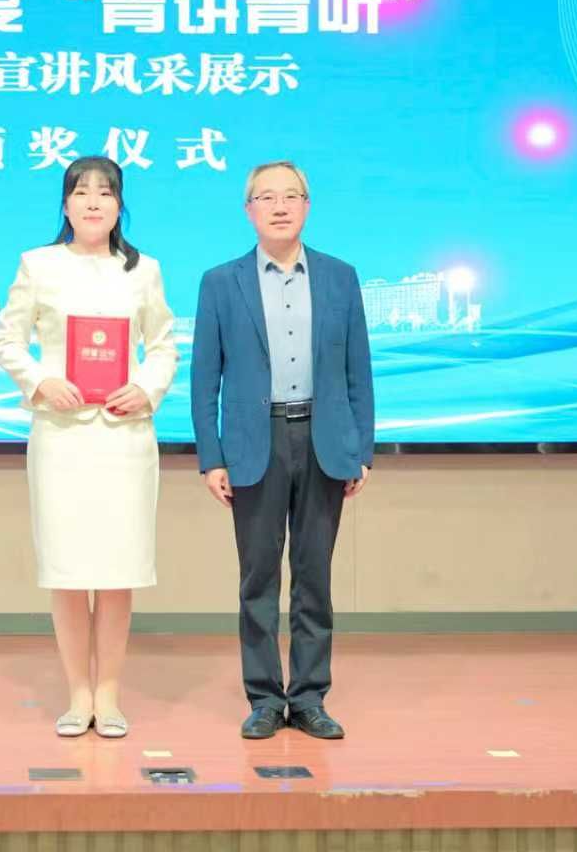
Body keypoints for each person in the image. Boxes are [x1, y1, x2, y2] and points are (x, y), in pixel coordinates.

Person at [0, 156, 178, 738]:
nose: (94, 201)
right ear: (66, 204)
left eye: (105, 192)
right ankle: (78, 695)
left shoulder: (144, 270)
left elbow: (164, 346)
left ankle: (109, 695)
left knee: (118, 570)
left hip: (123, 437)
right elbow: (8, 340)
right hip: (62, 437)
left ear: (120, 206)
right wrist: (41, 382)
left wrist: (145, 387)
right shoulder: (38, 264)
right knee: (69, 570)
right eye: (81, 191)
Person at [190, 159, 374, 740]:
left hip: (323, 440)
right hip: (254, 443)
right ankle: (265, 699)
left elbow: (358, 372)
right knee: (259, 579)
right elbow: (204, 379)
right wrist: (212, 457)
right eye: (266, 197)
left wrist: (360, 447)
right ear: (249, 210)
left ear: (307, 206)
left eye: (291, 195)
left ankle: (311, 697)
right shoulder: (221, 282)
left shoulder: (340, 277)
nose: (279, 206)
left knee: (314, 577)